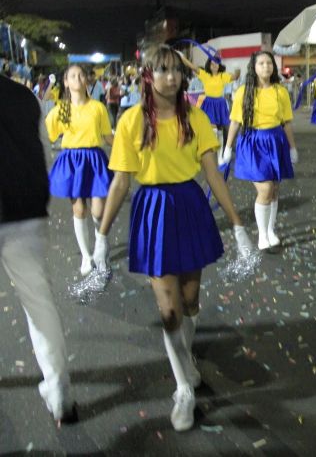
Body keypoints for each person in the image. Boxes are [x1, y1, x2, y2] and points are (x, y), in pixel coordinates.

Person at [92, 45, 253, 432]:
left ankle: (187, 357)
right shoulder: (131, 120)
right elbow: (119, 183)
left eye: (176, 71)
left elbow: (213, 174)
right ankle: (184, 388)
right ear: (147, 75)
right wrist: (101, 238)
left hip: (190, 207)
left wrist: (238, 225)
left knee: (190, 301)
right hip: (152, 211)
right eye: (162, 70)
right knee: (168, 313)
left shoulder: (194, 117)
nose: (171, 77)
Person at [0, 75, 78, 424]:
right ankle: (59, 387)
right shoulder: (23, 96)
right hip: (24, 209)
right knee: (38, 302)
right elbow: (42, 152)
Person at [221, 51, 298, 250]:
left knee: (274, 189)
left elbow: (286, 122)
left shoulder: (280, 91)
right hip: (253, 143)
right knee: (265, 189)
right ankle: (263, 235)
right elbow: (235, 122)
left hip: (276, 141)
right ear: (253, 67)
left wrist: (292, 148)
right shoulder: (243, 92)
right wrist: (228, 148)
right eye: (261, 63)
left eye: (269, 63)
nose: (266, 66)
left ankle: (271, 230)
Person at [44, 64, 113, 276]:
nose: (77, 78)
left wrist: (129, 147)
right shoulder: (61, 109)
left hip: (94, 159)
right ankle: (86, 255)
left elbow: (108, 137)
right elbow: (47, 135)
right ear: (65, 82)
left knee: (98, 210)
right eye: (72, 76)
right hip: (72, 161)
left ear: (87, 81)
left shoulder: (97, 108)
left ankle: (101, 243)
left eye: (81, 75)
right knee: (79, 208)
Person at [178, 52, 240, 161]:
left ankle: (220, 155)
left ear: (219, 65)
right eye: (212, 64)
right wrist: (182, 57)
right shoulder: (204, 75)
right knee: (214, 130)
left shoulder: (223, 76)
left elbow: (236, 76)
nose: (214, 65)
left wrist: (237, 68)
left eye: (216, 63)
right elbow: (192, 66)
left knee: (220, 130)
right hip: (209, 103)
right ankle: (212, 153)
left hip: (220, 103)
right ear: (209, 65)